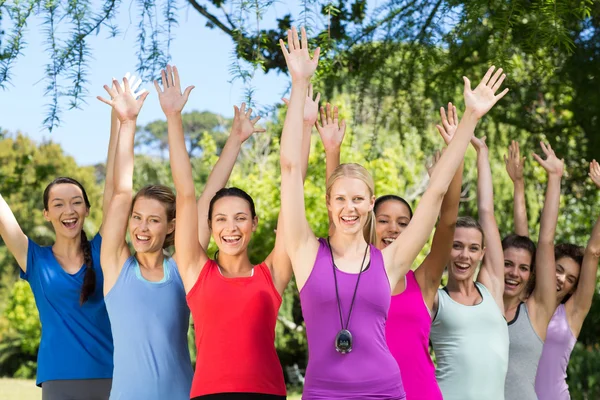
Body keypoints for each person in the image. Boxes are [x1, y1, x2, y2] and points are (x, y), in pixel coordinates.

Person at [279, 25, 509, 399]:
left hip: (386, 390)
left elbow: (435, 196)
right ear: (328, 203)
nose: (348, 208)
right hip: (324, 393)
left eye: (357, 199)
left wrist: (470, 119)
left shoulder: (389, 262)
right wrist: (299, 82)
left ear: (370, 203)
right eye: (339, 199)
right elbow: (290, 169)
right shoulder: (306, 252)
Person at [164, 64, 314, 399]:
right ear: (210, 226)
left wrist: (304, 120)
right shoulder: (195, 270)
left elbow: (293, 188)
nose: (230, 228)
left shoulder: (271, 274)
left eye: (240, 218)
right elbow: (186, 193)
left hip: (267, 394)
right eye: (220, 219)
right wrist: (174, 117)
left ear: (254, 223)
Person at [0, 75, 141, 398]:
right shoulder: (34, 259)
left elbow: (117, 190)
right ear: (46, 214)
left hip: (111, 377)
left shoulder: (103, 250)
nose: (69, 210)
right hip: (58, 380)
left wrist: (118, 120)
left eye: (77, 202)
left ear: (88, 210)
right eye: (59, 204)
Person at [316, 102, 462, 400]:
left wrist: (456, 153)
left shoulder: (423, 281)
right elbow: (337, 213)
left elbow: (446, 222)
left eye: (403, 223)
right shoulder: (346, 275)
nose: (393, 229)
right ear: (368, 221)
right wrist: (332, 151)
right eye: (383, 220)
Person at [96, 76, 193, 399]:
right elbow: (122, 192)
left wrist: (173, 118)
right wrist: (127, 123)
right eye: (137, 218)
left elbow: (188, 195)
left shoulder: (182, 268)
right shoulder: (116, 264)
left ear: (170, 227)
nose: (141, 227)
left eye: (153, 220)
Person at [429, 134, 509, 400]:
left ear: (482, 253)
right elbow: (444, 220)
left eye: (473, 248)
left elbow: (487, 211)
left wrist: (482, 152)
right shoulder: (435, 299)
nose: (464, 255)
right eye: (456, 246)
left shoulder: (492, 288)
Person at [502, 141, 564, 399]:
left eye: (524, 268)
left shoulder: (536, 312)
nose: (515, 272)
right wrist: (517, 185)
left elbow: (545, 241)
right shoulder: (482, 305)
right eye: (507, 264)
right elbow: (519, 246)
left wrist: (555, 177)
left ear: (531, 274)